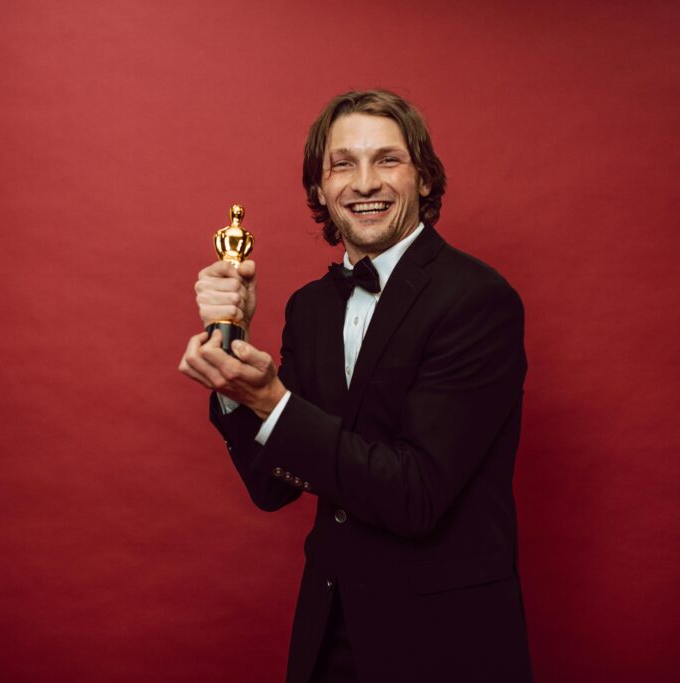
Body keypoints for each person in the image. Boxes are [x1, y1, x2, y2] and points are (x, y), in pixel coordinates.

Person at [179, 89, 532, 683]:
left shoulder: (478, 300)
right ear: (320, 190)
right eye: (342, 164)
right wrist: (230, 362)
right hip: (328, 639)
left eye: (387, 160)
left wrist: (272, 400)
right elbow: (273, 488)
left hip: (448, 646)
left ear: (424, 179)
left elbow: (416, 494)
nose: (364, 183)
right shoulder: (309, 308)